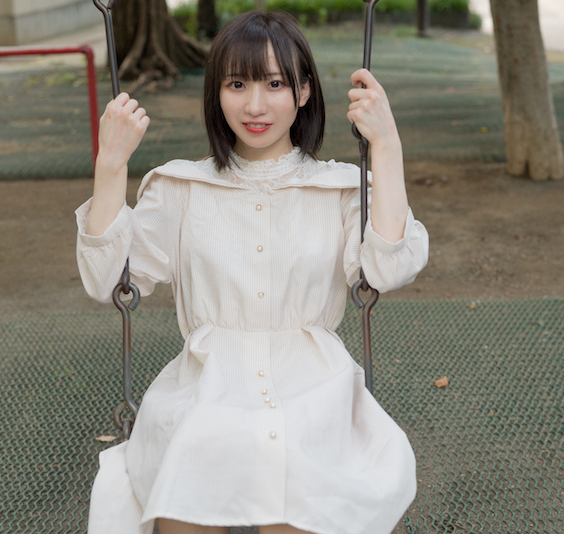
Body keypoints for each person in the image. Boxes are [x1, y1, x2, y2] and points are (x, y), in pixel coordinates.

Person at [75, 11, 429, 534]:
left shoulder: (341, 190)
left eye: (275, 84)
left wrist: (387, 146)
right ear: (217, 94)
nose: (255, 106)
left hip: (313, 386)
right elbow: (108, 279)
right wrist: (111, 165)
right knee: (191, 471)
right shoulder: (180, 188)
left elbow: (389, 266)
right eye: (237, 84)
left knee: (301, 487)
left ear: (304, 92)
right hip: (207, 385)